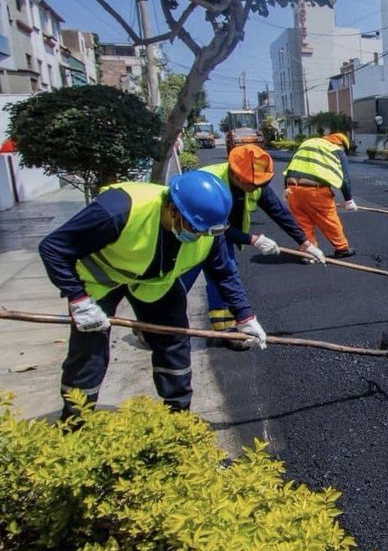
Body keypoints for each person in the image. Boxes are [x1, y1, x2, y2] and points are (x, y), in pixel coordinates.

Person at [37, 172, 268, 423]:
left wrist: (245, 316)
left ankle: (177, 418)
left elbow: (224, 273)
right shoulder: (118, 210)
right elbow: (53, 248)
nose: (199, 236)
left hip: (154, 283)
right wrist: (78, 300)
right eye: (194, 229)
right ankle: (75, 422)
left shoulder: (207, 230)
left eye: (205, 232)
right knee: (89, 350)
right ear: (171, 210)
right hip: (100, 281)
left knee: (174, 341)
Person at [183, 145, 325, 347]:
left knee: (224, 276)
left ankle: (226, 331)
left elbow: (279, 213)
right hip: (193, 236)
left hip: (221, 235)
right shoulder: (208, 182)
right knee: (179, 282)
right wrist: (252, 239)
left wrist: (305, 243)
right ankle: (152, 324)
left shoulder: (255, 182)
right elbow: (214, 228)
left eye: (261, 183)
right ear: (237, 176)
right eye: (254, 184)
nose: (258, 188)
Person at [284, 132, 358, 258]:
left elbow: (293, 165)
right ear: (341, 144)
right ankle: (342, 248)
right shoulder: (336, 149)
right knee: (329, 219)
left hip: (292, 189)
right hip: (315, 191)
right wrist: (348, 200)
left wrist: (286, 189)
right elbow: (345, 179)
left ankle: (309, 252)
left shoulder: (308, 143)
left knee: (303, 223)